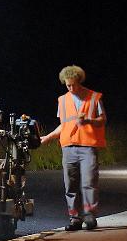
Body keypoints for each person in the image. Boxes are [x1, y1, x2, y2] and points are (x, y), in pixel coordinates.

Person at [40, 65, 107, 231]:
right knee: (70, 185)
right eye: (67, 85)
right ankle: (74, 218)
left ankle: (90, 217)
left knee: (89, 182)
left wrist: (89, 121)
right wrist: (48, 137)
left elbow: (103, 119)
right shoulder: (63, 100)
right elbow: (63, 125)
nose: (71, 88)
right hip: (68, 147)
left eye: (73, 85)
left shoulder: (93, 97)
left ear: (79, 81)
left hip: (88, 147)